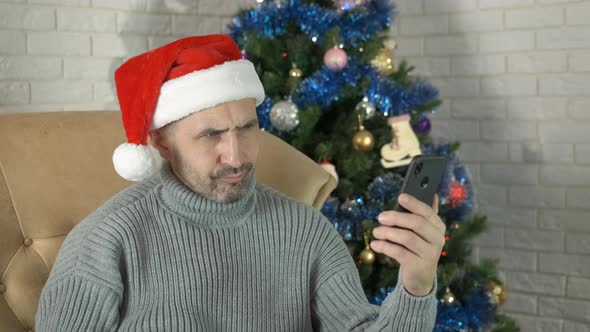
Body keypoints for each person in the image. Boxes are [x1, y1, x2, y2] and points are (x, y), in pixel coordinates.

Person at [35, 34, 445, 331]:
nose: (236, 155)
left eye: (247, 128)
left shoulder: (305, 230)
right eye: (210, 135)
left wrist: (417, 284)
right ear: (160, 142)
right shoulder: (106, 242)